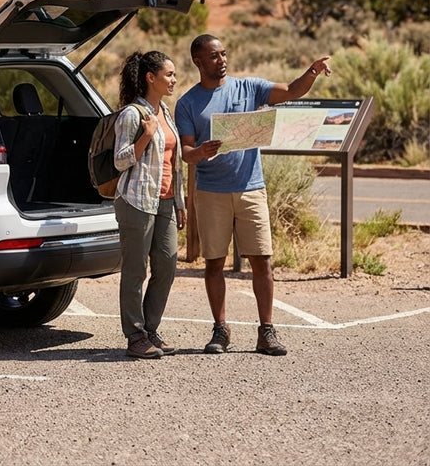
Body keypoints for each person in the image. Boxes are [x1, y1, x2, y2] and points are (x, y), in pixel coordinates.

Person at [175, 34, 331, 356]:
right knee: (214, 264)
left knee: (263, 261)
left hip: (251, 189)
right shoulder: (187, 103)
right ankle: (220, 330)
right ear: (198, 61)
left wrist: (312, 72)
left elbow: (290, 91)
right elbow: (186, 152)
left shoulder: (248, 88)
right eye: (215, 56)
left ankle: (267, 332)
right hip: (211, 193)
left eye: (224, 54)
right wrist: (201, 152)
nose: (222, 60)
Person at [112, 51, 186, 359]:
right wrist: (146, 136)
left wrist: (180, 201)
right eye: (168, 74)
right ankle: (135, 335)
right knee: (135, 270)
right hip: (136, 201)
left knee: (167, 263)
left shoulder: (165, 111)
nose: (173, 79)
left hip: (166, 201)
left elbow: (175, 161)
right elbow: (119, 161)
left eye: (173, 74)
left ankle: (151, 329)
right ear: (150, 78)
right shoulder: (132, 114)